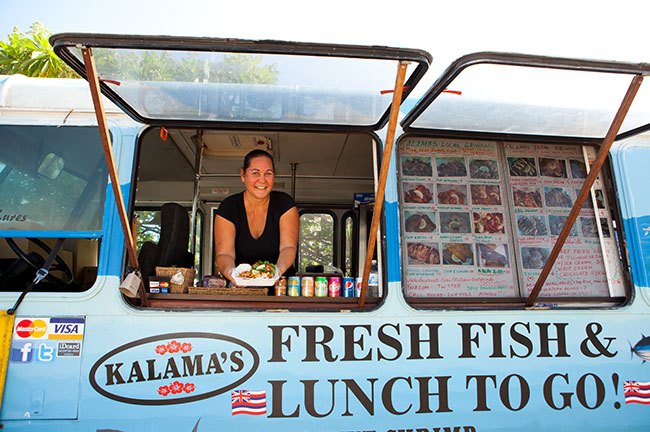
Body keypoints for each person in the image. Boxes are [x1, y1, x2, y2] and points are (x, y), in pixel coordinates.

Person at [214, 149, 299, 286]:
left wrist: (275, 273)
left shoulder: (285, 204)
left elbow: (288, 248)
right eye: (255, 173)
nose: (262, 180)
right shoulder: (229, 207)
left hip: (281, 287)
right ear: (243, 175)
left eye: (268, 173)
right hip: (242, 286)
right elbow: (224, 254)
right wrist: (233, 274)